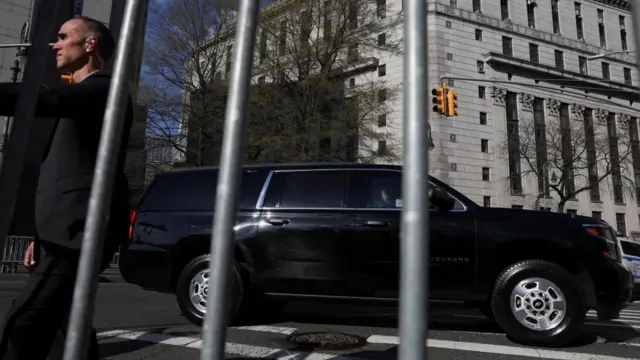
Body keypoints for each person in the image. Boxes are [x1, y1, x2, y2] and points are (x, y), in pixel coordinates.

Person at [0, 16, 133, 360]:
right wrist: (39, 237)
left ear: (89, 44)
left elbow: (50, 98)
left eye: (62, 37)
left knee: (23, 325)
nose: (54, 45)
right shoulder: (86, 95)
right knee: (67, 329)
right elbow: (63, 174)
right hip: (60, 236)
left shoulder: (106, 89)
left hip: (80, 235)